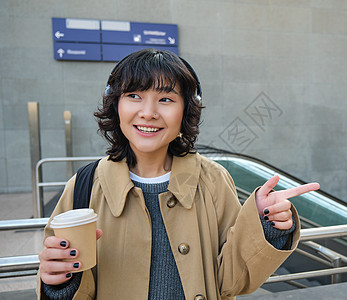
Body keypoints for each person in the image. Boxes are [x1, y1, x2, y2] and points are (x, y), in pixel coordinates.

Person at [37, 48, 320, 299]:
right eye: (134, 95)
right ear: (116, 105)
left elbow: (232, 281)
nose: (147, 113)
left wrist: (265, 225)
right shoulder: (84, 186)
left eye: (166, 99)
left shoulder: (212, 180)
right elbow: (61, 278)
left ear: (185, 110)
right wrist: (57, 284)